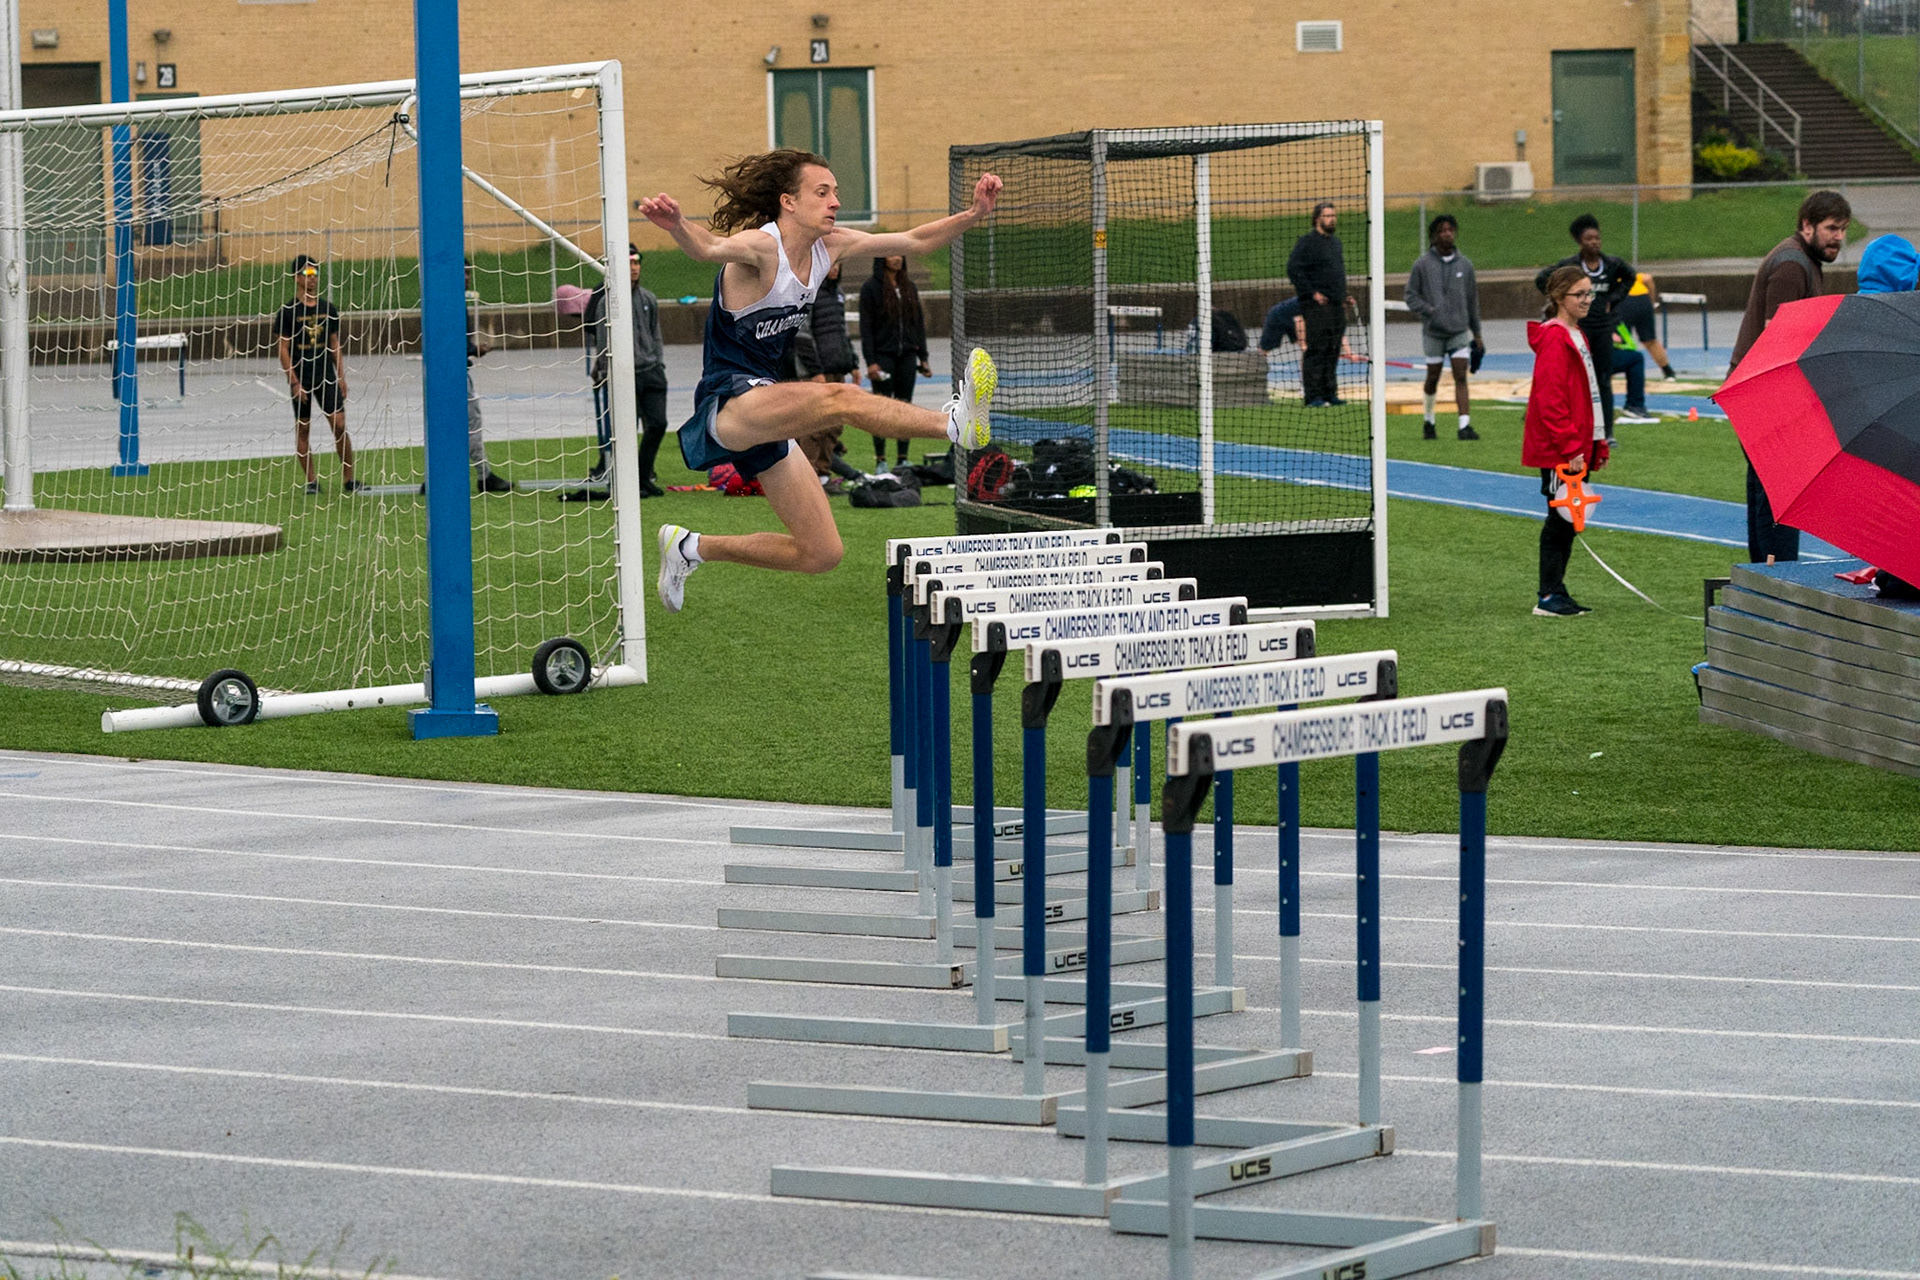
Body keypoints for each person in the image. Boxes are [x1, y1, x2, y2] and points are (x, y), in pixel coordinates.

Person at [638, 149, 1001, 613]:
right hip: (728, 401)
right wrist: (676, 225)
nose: (835, 202)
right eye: (822, 192)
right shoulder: (762, 248)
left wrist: (974, 214)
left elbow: (914, 239)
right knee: (839, 398)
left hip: (768, 405)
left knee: (821, 553)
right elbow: (707, 247)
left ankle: (690, 548)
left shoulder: (830, 246)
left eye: (836, 192)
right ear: (789, 202)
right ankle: (953, 424)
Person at [1728, 189, 1852, 564]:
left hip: (1762, 390)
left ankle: (1763, 578)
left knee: (1767, 492)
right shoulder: (1792, 266)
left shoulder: (1803, 260)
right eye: (1831, 228)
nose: (1839, 237)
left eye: (1843, 229)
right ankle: (1777, 577)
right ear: (1807, 225)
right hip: (1766, 392)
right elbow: (1777, 342)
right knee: (1779, 494)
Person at [1523, 265, 1609, 618]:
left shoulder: (1576, 334)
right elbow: (1551, 399)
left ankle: (1557, 589)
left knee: (1569, 518)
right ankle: (1548, 594)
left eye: (1590, 293)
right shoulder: (1555, 338)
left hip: (1579, 444)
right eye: (1580, 294)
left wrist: (1597, 442)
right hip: (1560, 448)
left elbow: (1588, 394)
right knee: (1559, 518)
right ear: (1560, 297)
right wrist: (1572, 446)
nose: (1587, 300)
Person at [1534, 215, 1653, 443]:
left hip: (1602, 329)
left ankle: (1606, 433)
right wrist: (1560, 302)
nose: (1595, 242)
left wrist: (1613, 299)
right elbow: (1542, 279)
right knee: (1575, 381)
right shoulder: (1570, 267)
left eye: (1597, 238)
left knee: (1603, 381)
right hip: (1579, 330)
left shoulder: (1612, 264)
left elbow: (1630, 277)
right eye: (1589, 238)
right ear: (1580, 241)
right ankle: (1575, 429)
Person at [585, 244, 669, 497]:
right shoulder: (606, 303)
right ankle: (626, 480)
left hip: (651, 370)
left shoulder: (648, 298)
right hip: (624, 374)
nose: (634, 268)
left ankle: (643, 475)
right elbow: (603, 341)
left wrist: (659, 362)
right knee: (625, 429)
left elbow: (655, 334)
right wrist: (603, 370)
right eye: (629, 262)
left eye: (637, 262)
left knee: (658, 424)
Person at [273, 254, 358, 494]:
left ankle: (349, 480)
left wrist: (341, 376)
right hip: (302, 378)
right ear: (296, 277)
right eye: (308, 274)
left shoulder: (327, 309)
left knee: (339, 424)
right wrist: (294, 382)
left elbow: (334, 344)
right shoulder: (288, 312)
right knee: (303, 428)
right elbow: (283, 350)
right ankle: (312, 481)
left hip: (325, 376)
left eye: (315, 273)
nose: (312, 278)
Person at [1403, 213, 1484, 441]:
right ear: (1434, 236)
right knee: (1433, 377)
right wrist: (1429, 310)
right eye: (1442, 231)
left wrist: (1477, 333)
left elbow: (1472, 301)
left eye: (1450, 230)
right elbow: (1410, 296)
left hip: (1458, 331)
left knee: (1461, 375)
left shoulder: (1465, 265)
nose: (1447, 234)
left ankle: (1464, 425)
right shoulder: (1422, 265)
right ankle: (1429, 421)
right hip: (1433, 333)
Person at [788, 260, 866, 490]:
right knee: (813, 427)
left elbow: (841, 332)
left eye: (838, 264)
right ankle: (807, 478)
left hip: (836, 367)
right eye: (831, 264)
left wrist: (852, 363)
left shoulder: (837, 293)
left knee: (834, 426)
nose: (834, 269)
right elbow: (801, 335)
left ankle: (823, 475)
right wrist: (815, 371)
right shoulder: (808, 293)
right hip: (816, 372)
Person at [859, 254, 932, 471]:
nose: (896, 258)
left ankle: (902, 458)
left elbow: (918, 323)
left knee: (905, 406)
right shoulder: (871, 288)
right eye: (891, 254)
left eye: (899, 253)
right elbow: (866, 328)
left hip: (907, 355)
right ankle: (881, 459)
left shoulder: (909, 287)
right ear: (882, 258)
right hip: (883, 356)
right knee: (880, 408)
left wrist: (923, 357)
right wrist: (871, 361)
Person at [1286, 200, 1349, 408]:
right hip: (1316, 306)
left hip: (1336, 305)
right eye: (1327, 216)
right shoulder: (1307, 243)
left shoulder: (1335, 243)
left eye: (1333, 215)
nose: (1332, 219)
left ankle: (1329, 392)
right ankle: (1313, 396)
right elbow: (1293, 269)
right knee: (1317, 348)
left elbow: (1336, 273)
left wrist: (1344, 295)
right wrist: (1312, 293)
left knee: (1333, 348)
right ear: (1317, 219)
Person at [464, 260, 513, 494]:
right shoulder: (451, 304)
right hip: (455, 376)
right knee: (471, 423)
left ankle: (433, 478)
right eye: (463, 273)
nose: (467, 278)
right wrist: (474, 350)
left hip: (441, 376)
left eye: (469, 273)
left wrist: (473, 349)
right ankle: (484, 476)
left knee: (444, 425)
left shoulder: (443, 301)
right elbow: (452, 342)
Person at [1613, 273, 1677, 381]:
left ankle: (1608, 375)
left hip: (1622, 301)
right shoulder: (1630, 274)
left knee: (1615, 341)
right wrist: (1651, 301)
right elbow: (1648, 278)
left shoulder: (1608, 273)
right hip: (1643, 299)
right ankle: (1668, 372)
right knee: (1650, 340)